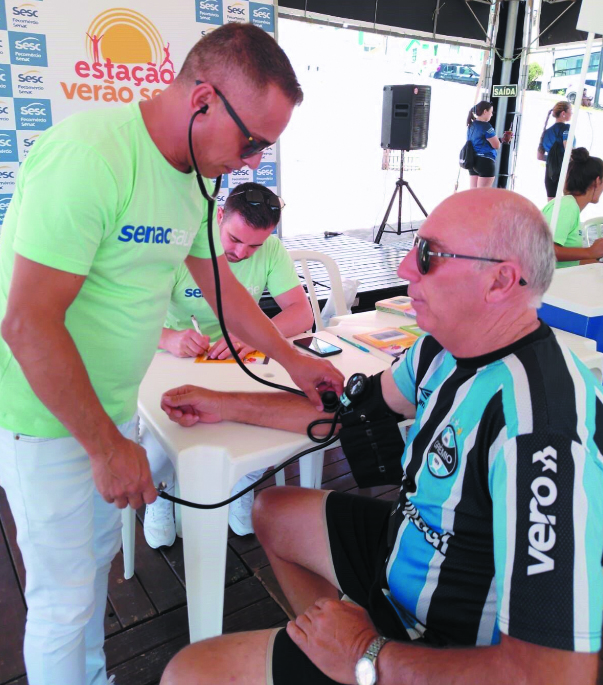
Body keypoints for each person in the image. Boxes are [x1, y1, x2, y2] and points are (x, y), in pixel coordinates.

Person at [0, 23, 345, 685]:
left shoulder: (191, 174)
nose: (250, 162)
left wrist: (291, 357)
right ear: (203, 99)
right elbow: (28, 324)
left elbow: (217, 280)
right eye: (252, 141)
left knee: (88, 578)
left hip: (108, 406)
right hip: (45, 418)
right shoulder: (92, 156)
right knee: (61, 602)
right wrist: (105, 445)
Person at [159, 188, 603, 685]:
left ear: (499, 280)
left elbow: (557, 674)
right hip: (408, 551)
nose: (404, 269)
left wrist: (368, 655)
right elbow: (346, 414)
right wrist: (224, 405)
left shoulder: (540, 430)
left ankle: (366, 666)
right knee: (273, 511)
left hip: (450, 641)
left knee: (188, 673)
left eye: (429, 255)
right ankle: (342, 656)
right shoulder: (441, 348)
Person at [144, 181, 313, 545]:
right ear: (219, 216)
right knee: (167, 425)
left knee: (278, 411)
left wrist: (253, 334)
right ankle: (163, 490)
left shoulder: (270, 249)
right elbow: (132, 315)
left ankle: (244, 481)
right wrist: (170, 338)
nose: (243, 252)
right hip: (175, 356)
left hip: (239, 361)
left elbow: (302, 314)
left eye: (255, 244)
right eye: (235, 239)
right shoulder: (184, 244)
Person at [542, 148, 603, 268]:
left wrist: (596, 257)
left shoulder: (570, 207)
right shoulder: (567, 206)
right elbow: (545, 250)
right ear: (597, 181)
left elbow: (571, 262)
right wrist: (590, 251)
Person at [466, 101, 512, 189]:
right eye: (491, 112)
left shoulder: (471, 125)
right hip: (485, 162)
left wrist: (501, 139)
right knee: (483, 195)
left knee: (473, 194)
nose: (491, 115)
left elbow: (481, 141)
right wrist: (504, 140)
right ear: (485, 112)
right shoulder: (486, 126)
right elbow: (496, 145)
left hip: (472, 161)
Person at [538, 101, 574, 201]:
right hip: (565, 171)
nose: (572, 113)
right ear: (563, 113)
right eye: (570, 111)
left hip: (550, 172)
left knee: (551, 204)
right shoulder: (567, 129)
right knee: (567, 204)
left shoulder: (546, 132)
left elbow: (539, 156)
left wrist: (552, 158)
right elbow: (568, 149)